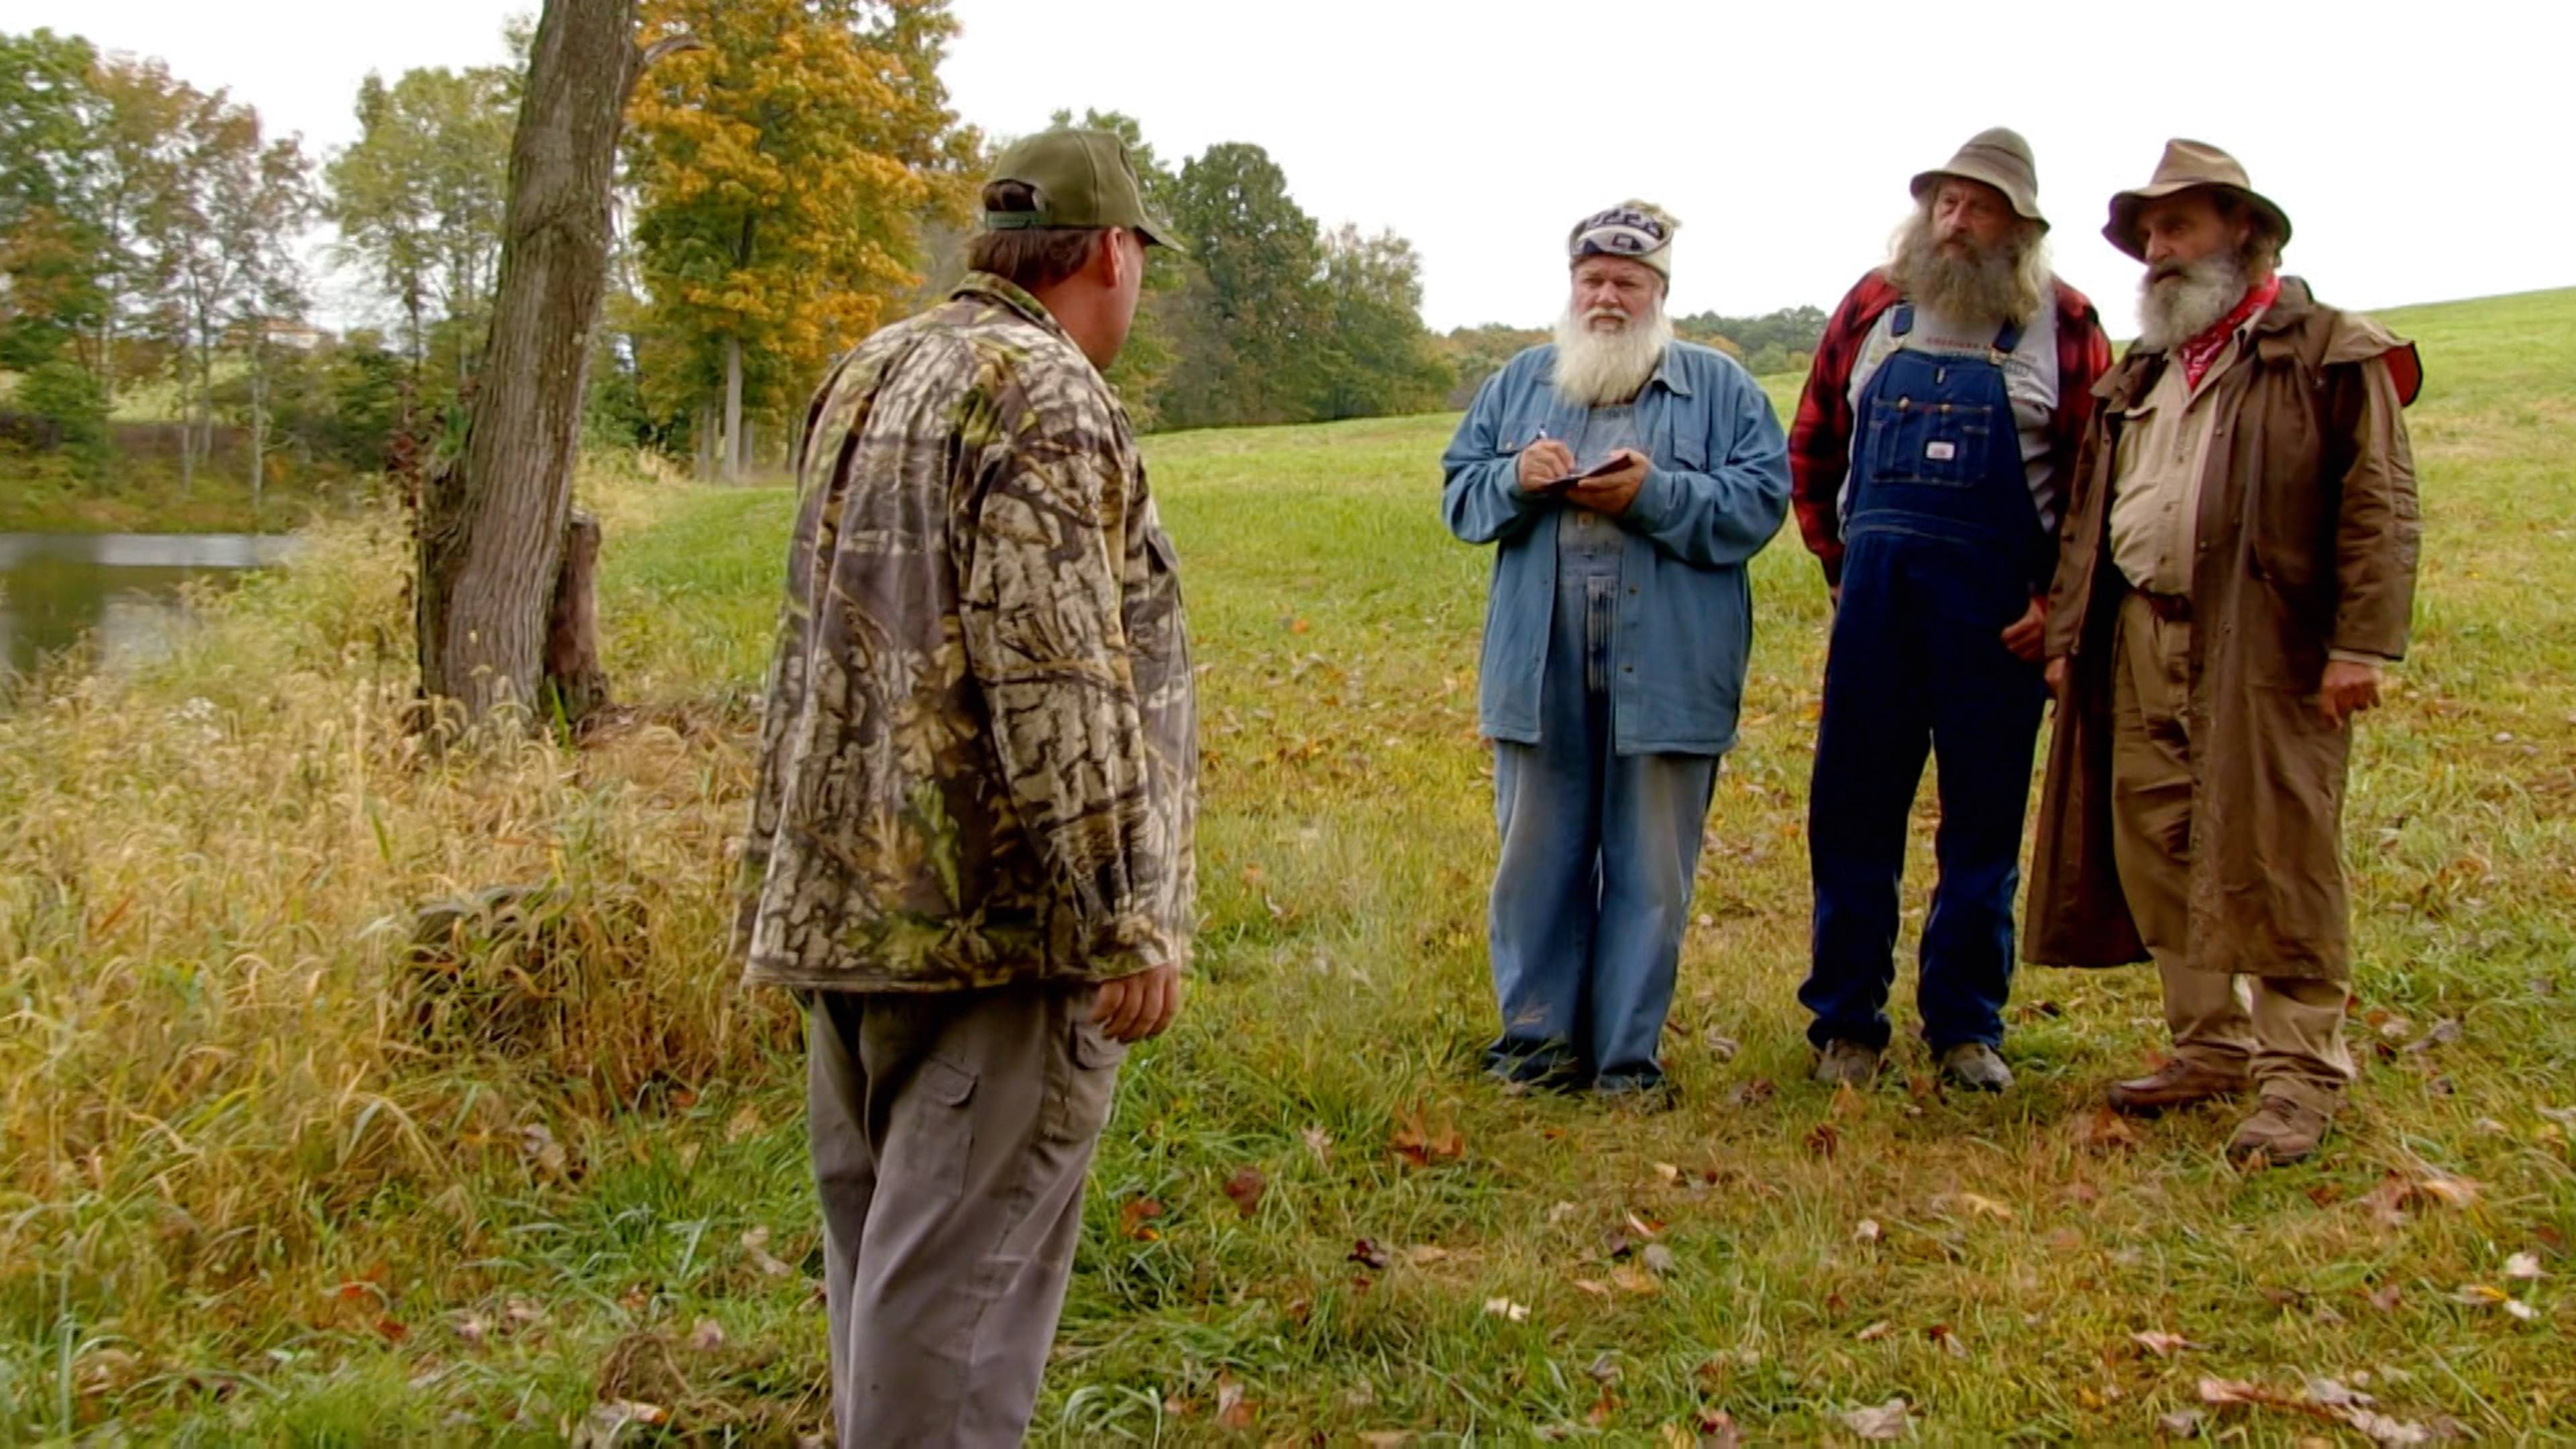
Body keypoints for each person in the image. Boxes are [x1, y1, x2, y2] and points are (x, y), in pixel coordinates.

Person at [735, 127, 1197, 1444]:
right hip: (992, 938)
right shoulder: (1042, 396)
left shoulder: (873, 367)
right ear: (1110, 252)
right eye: (1139, 262)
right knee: (953, 1320)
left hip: (842, 910)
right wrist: (1125, 910)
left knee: (887, 1280)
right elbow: (1056, 672)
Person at [2027, 139, 2423, 1165]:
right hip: (2140, 639)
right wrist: (2071, 636)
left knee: (2277, 855)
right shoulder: (2146, 368)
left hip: (2268, 646)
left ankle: (2301, 1077)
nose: (2158, 250)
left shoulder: (2327, 351)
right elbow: (2088, 515)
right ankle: (2212, 1047)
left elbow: (2379, 505)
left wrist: (2362, 645)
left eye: (2181, 227)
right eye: (2150, 233)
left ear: (2245, 232)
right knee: (2157, 846)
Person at [1440, 201, 1790, 1102]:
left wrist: (1655, 496)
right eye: (1591, 279)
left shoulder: (1722, 389)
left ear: (1660, 293)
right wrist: (1514, 479)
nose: (1606, 296)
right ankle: (1534, 1047)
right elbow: (1459, 494)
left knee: (1650, 869)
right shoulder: (1519, 382)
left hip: (1670, 665)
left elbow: (1758, 505)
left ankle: (1627, 1064)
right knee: (1535, 861)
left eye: (1627, 282)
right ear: (1571, 288)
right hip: (1539, 661)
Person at [1788, 128, 2112, 1091]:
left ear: (2020, 225)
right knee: (1851, 817)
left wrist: (2057, 601)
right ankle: (1846, 1026)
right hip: (1877, 610)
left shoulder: (2066, 323)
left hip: (1998, 623)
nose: (1954, 221)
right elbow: (1813, 444)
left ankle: (1968, 1029)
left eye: (1978, 206)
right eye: (1944, 202)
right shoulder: (1874, 307)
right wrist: (1842, 569)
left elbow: (2100, 482)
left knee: (1982, 828)